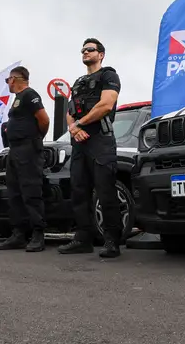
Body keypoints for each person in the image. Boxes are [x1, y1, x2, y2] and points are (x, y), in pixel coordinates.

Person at [58, 38, 124, 258]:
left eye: (90, 50)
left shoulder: (108, 75)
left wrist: (79, 124)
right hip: (80, 141)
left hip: (100, 140)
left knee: (105, 191)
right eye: (83, 50)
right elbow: (69, 111)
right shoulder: (77, 82)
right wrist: (73, 128)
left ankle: (112, 241)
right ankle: (82, 239)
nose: (85, 53)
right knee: (79, 191)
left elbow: (106, 104)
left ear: (101, 54)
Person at [0, 66, 51, 252]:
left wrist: (34, 139)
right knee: (15, 192)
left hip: (28, 149)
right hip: (15, 150)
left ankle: (37, 233)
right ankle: (19, 234)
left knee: (31, 191)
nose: (7, 84)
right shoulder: (16, 100)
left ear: (16, 79)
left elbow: (44, 120)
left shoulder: (29, 95)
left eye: (8, 80)